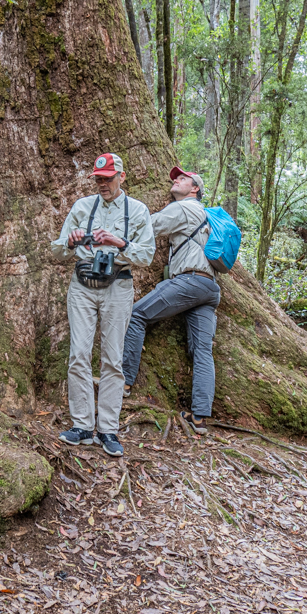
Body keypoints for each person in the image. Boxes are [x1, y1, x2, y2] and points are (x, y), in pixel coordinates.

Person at [51, 154, 155, 456]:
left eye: (108, 178)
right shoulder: (82, 207)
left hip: (118, 285)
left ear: (121, 177)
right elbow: (57, 251)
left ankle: (108, 429)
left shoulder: (137, 210)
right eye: (98, 179)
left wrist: (119, 243)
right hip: (82, 285)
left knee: (112, 359)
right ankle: (82, 425)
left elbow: (147, 256)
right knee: (78, 355)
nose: (102, 184)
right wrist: (70, 242)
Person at [121, 166, 221, 435]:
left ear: (195, 189)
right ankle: (199, 417)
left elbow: (149, 226)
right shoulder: (206, 215)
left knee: (137, 315)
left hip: (189, 281)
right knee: (202, 351)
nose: (176, 180)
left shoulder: (185, 208)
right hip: (210, 288)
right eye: (175, 177)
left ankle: (124, 382)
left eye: (183, 178)